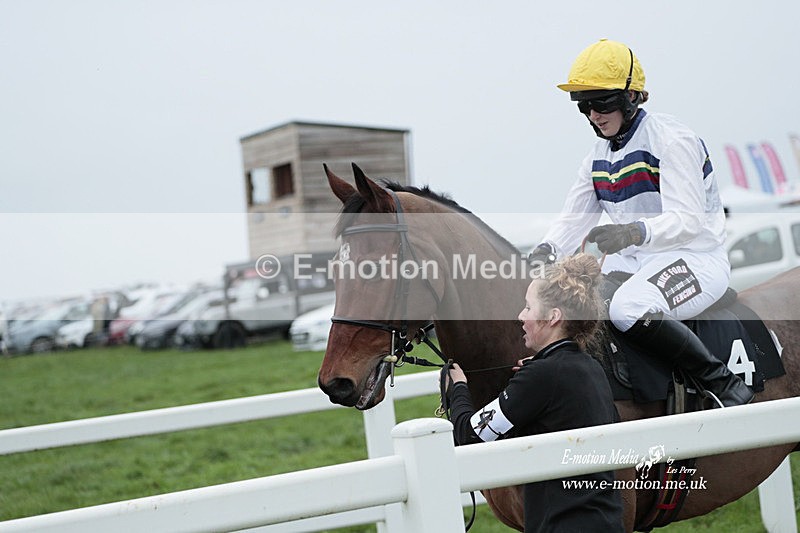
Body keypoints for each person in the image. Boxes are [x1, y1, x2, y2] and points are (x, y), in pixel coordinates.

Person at [528, 38, 752, 408]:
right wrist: (546, 250)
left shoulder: (672, 140)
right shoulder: (597, 156)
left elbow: (688, 221)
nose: (593, 114)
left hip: (696, 257)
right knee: (572, 300)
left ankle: (721, 383)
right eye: (583, 105)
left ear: (632, 96)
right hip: (637, 260)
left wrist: (633, 232)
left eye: (602, 102)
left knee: (625, 309)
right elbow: (573, 220)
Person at [444, 254, 624, 533]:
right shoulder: (591, 368)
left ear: (553, 317)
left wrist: (457, 388)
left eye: (528, 307)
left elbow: (469, 436)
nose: (521, 316)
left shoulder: (542, 376)